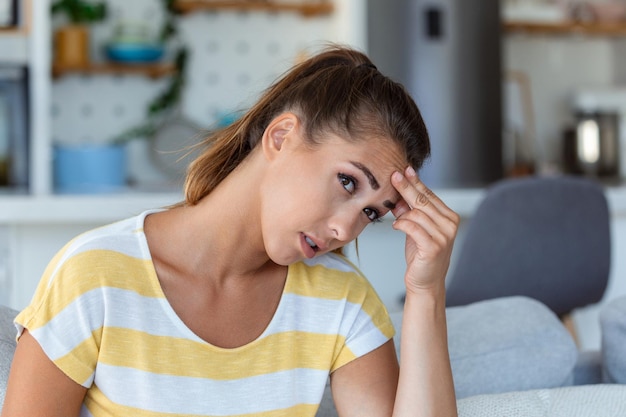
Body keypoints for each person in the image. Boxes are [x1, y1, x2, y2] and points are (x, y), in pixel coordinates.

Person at [2, 45, 459, 416]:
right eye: (347, 182)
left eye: (372, 213)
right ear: (281, 137)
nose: (345, 228)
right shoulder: (94, 276)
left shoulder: (341, 302)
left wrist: (427, 293)